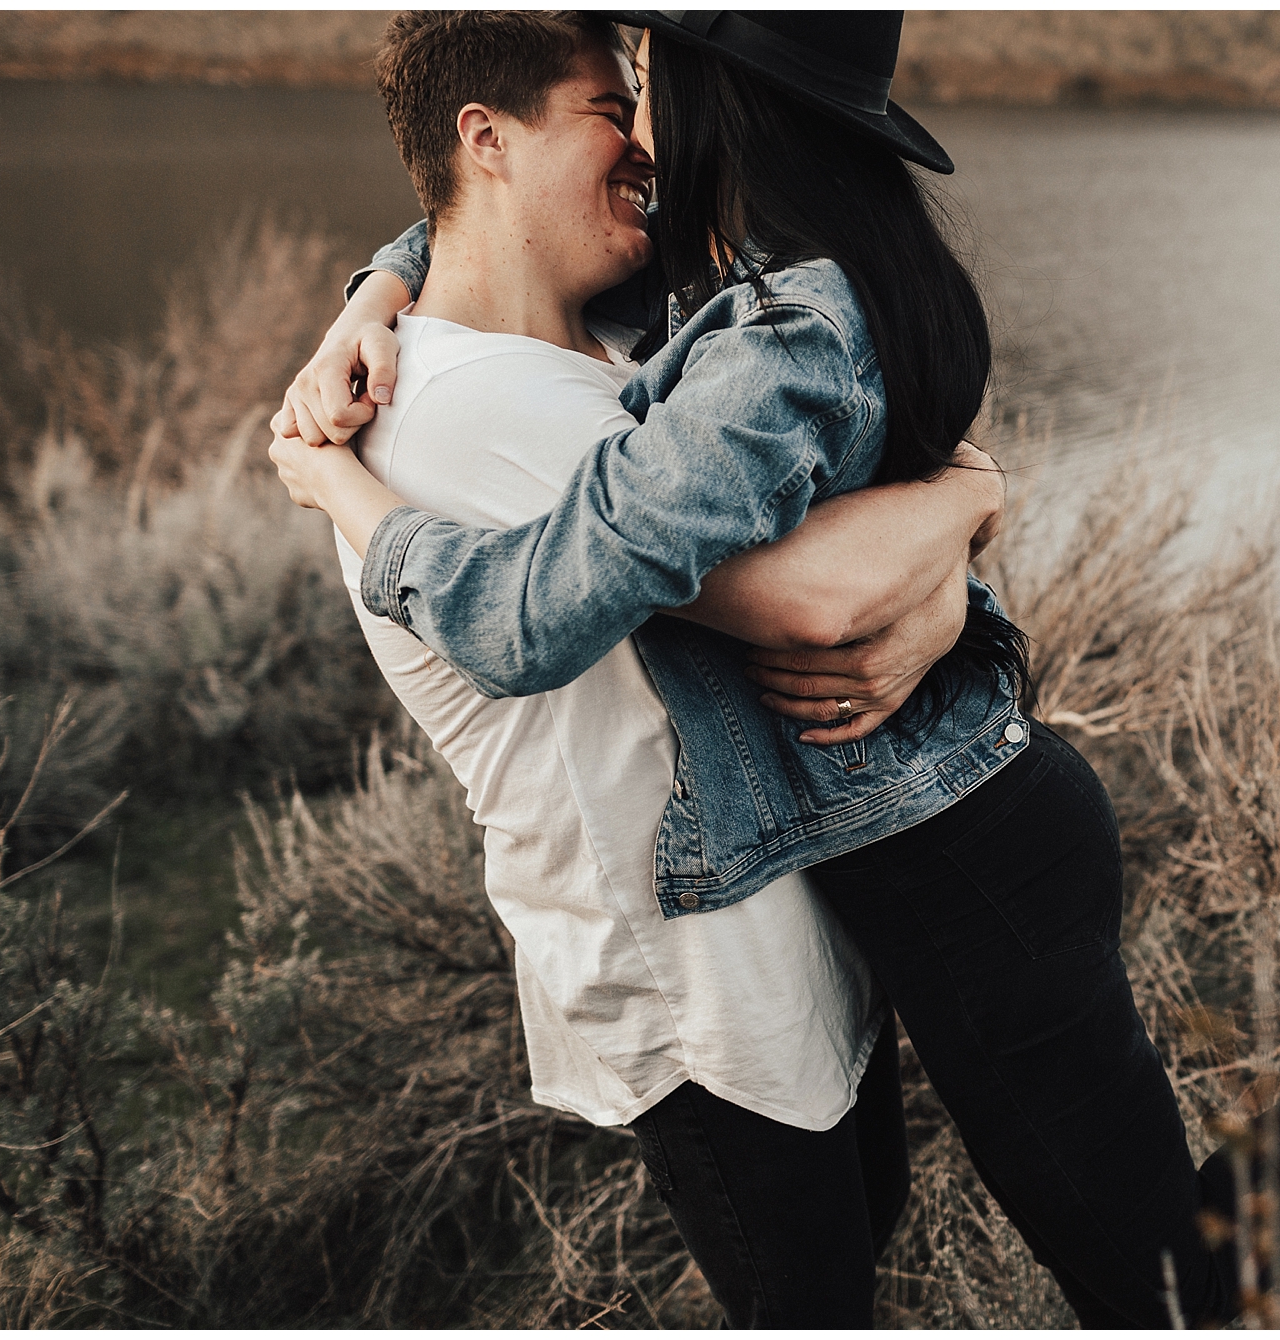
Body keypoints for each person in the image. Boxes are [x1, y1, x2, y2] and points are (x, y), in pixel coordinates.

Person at [273, 12, 1280, 1328]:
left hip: (960, 864)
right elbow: (472, 233)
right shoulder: (691, 295)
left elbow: (757, 597)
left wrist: (332, 481)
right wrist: (378, 288)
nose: (639, 129)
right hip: (908, 860)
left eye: (643, 87)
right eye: (616, 96)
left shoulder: (760, 323)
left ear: (726, 106)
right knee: (1103, 1265)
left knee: (1168, 1286)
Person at [274, 13, 1016, 1326]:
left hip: (784, 925)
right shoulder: (469, 409)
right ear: (487, 139)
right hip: (700, 993)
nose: (648, 147)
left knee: (863, 1244)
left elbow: (444, 241)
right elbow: (816, 595)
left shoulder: (616, 340)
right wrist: (964, 498)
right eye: (609, 113)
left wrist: (373, 289)